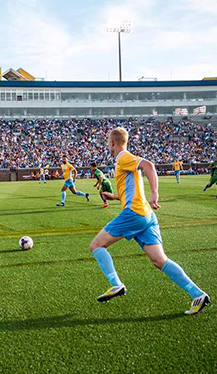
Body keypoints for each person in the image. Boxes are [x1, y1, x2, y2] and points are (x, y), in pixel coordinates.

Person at [90, 127, 209, 315]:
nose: (108, 146)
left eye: (108, 143)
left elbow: (149, 165)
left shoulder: (122, 157)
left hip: (134, 213)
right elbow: (129, 190)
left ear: (112, 142)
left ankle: (116, 284)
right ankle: (198, 294)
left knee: (96, 245)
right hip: (146, 215)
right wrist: (113, 196)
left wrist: (155, 194)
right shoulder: (124, 161)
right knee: (159, 260)